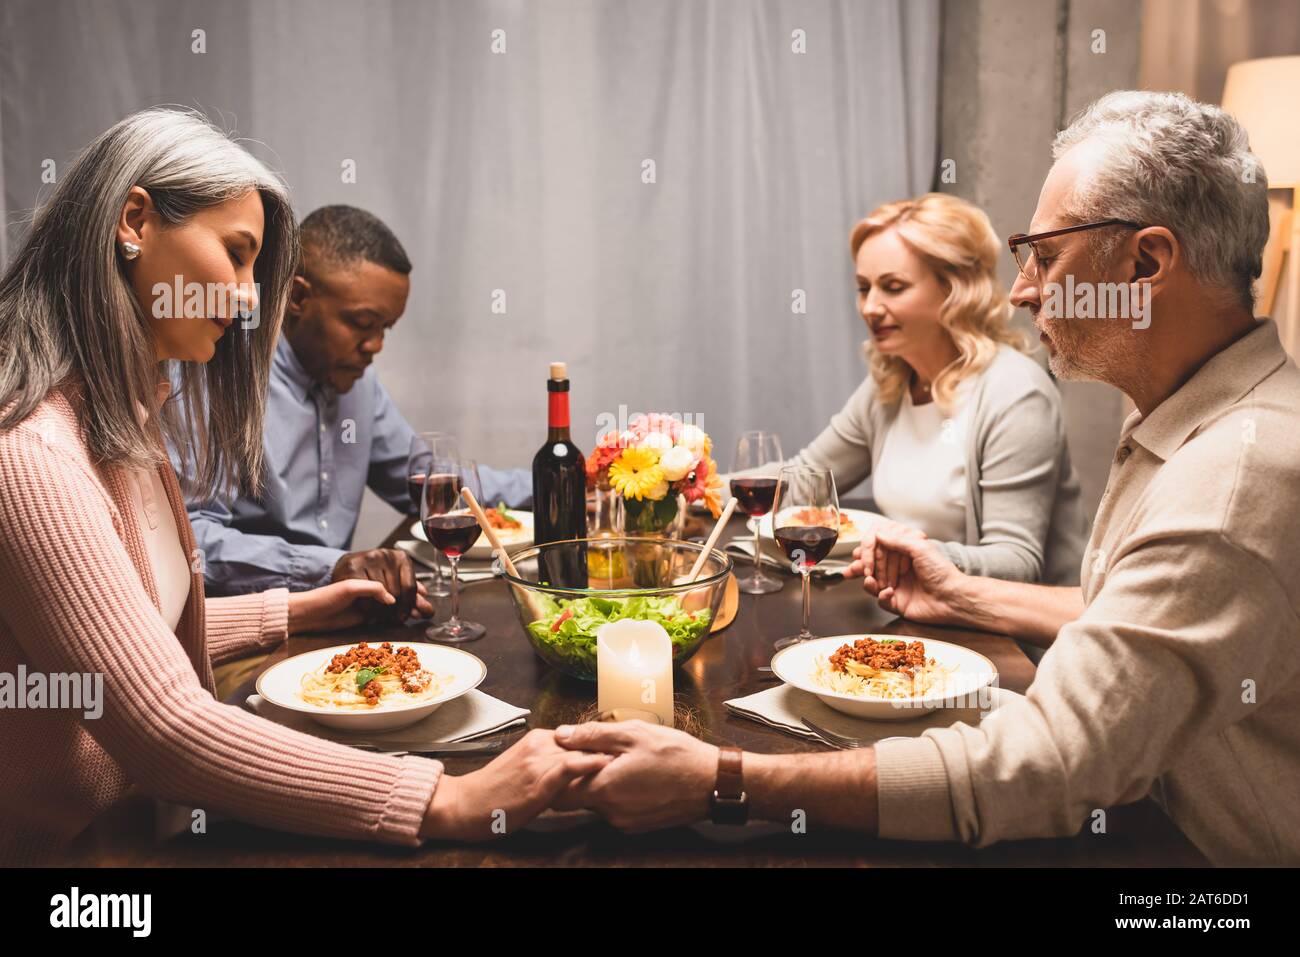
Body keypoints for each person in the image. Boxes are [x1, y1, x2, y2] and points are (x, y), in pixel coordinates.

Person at [550, 91, 1300, 866]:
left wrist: (725, 778)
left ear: (1145, 263)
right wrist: (958, 593)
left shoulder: (1234, 479)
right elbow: (1127, 615)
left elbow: (1046, 766)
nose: (1024, 288)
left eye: (1045, 254)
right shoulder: (1188, 422)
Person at [0, 108, 606, 865]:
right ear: (134, 222)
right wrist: (448, 798)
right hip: (78, 859)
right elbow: (162, 722)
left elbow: (127, 633)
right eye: (237, 253)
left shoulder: (124, 413)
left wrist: (298, 609)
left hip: (144, 822)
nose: (253, 299)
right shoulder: (29, 453)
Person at [174, 205, 530, 607]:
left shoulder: (357, 380)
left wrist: (562, 481)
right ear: (296, 297)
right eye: (363, 324)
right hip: (254, 623)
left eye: (385, 328)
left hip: (343, 612)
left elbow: (430, 482)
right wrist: (333, 566)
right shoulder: (216, 371)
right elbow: (194, 538)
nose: (376, 345)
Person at [785, 193, 1085, 587]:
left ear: (953, 290)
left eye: (893, 287)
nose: (870, 307)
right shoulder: (891, 384)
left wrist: (911, 554)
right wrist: (693, 475)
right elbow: (802, 481)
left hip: (1009, 640)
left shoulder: (1015, 392)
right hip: (917, 610)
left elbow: (1017, 561)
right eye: (863, 287)